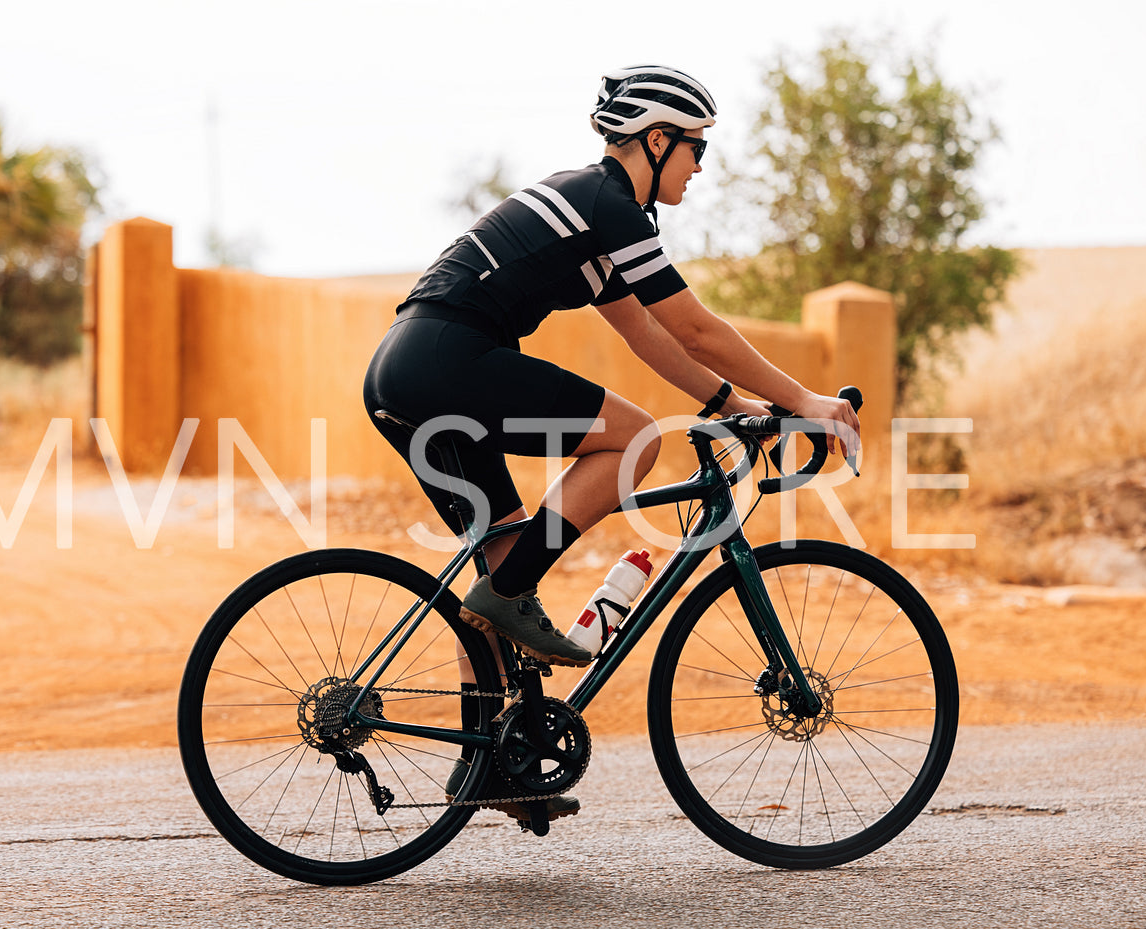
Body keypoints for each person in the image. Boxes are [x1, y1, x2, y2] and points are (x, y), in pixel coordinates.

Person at [362, 65, 860, 820]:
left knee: (498, 561)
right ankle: (506, 595)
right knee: (631, 440)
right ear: (656, 140)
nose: (700, 166)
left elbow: (649, 336)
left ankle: (488, 768)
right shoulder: (605, 204)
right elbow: (695, 326)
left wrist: (737, 405)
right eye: (696, 148)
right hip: (445, 360)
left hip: (402, 374)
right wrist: (804, 402)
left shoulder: (589, 217)